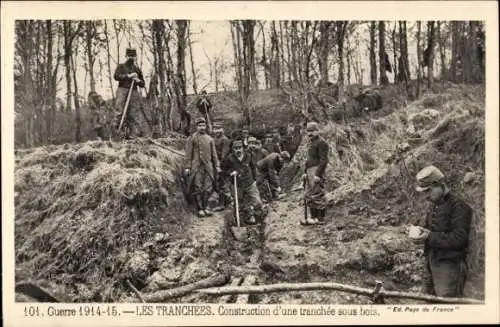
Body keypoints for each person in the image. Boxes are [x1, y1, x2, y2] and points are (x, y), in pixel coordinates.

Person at [409, 165, 473, 298]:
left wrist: (429, 236)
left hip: (450, 267)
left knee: (446, 307)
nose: (426, 196)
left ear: (440, 185)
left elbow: (459, 239)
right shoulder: (434, 205)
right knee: (429, 302)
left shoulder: (460, 207)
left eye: (428, 191)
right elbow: (430, 230)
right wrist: (420, 233)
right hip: (431, 263)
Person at [184, 117, 221, 217]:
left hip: (208, 167)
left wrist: (217, 165)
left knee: (208, 187)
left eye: (203, 125)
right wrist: (187, 167)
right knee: (198, 187)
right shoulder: (191, 138)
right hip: (196, 167)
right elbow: (188, 155)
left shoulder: (210, 139)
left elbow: (214, 155)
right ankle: (200, 208)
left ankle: (207, 207)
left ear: (206, 126)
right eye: (199, 125)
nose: (202, 127)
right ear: (196, 127)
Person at [221, 138, 263, 225]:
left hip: (250, 183)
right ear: (233, 149)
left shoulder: (249, 156)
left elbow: (253, 168)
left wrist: (255, 180)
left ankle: (258, 218)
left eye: (239, 148)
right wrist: (231, 172)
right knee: (240, 203)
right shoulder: (230, 158)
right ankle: (247, 218)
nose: (238, 150)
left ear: (243, 148)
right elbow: (224, 170)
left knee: (257, 202)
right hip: (238, 185)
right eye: (236, 148)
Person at [113, 48, 146, 139]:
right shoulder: (121, 67)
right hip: (122, 90)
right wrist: (128, 76)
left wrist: (138, 80)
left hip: (134, 91)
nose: (132, 58)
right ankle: (118, 133)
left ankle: (133, 135)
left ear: (135, 57)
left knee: (134, 112)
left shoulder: (137, 70)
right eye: (130, 56)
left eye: (134, 56)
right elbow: (116, 76)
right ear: (126, 56)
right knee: (119, 110)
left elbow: (143, 84)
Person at [301, 122, 329, 225]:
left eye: (312, 131)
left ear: (317, 131)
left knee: (318, 194)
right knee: (309, 194)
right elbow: (308, 160)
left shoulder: (322, 143)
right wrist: (305, 172)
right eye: (308, 131)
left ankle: (320, 218)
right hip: (309, 171)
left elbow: (324, 161)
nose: (310, 133)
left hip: (316, 170)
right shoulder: (311, 143)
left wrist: (318, 174)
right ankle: (313, 217)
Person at [212, 122, 232, 210]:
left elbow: (224, 154)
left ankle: (229, 203)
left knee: (224, 184)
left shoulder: (225, 140)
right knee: (219, 184)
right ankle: (222, 204)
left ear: (222, 130)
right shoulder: (213, 139)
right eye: (215, 129)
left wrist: (219, 165)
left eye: (219, 129)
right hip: (216, 163)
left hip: (224, 165)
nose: (217, 131)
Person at [248, 137, 270, 202]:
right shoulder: (247, 152)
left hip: (262, 171)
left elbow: (268, 162)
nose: (252, 145)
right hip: (251, 171)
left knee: (259, 180)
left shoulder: (263, 151)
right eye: (250, 143)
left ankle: (263, 197)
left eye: (253, 143)